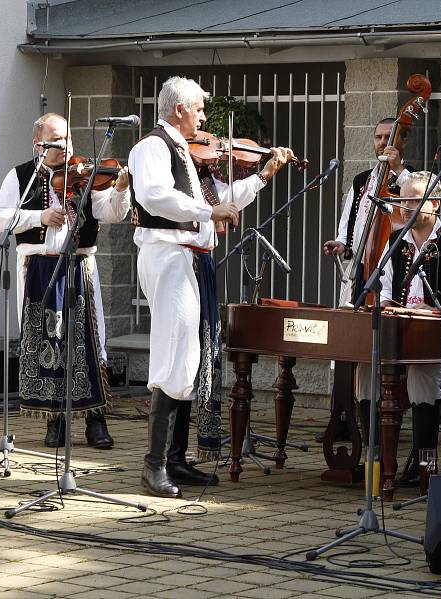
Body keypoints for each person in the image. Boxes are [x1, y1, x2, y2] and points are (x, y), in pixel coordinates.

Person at [129, 76, 292, 497]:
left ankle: (176, 459)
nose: (204, 118)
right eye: (199, 109)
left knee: (192, 354)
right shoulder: (152, 147)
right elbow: (152, 196)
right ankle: (153, 464)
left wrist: (264, 174)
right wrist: (209, 208)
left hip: (192, 258)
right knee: (174, 354)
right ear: (179, 109)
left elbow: (225, 199)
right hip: (168, 254)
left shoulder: (191, 156)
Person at [0, 112, 130, 449]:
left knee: (90, 342)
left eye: (68, 139)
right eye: (58, 140)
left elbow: (112, 212)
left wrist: (122, 190)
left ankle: (96, 421)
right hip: (37, 269)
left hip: (80, 266)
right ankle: (56, 423)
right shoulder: (21, 175)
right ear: (39, 144)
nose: (67, 147)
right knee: (47, 344)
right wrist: (38, 216)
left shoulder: (85, 176)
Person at [356, 171, 441, 485]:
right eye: (403, 199)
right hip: (401, 340)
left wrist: (439, 311)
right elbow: (384, 290)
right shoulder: (394, 244)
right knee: (364, 367)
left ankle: (424, 464)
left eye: (415, 199)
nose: (406, 206)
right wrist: (383, 305)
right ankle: (374, 459)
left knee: (421, 372)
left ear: (436, 204)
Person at [320, 118, 413, 445]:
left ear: (403, 141)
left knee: (383, 351)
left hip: (394, 272)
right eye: (378, 136)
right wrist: (341, 244)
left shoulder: (412, 180)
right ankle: (347, 420)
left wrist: (398, 170)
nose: (382, 142)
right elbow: (349, 224)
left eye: (389, 136)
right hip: (360, 270)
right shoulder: (361, 180)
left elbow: (415, 220)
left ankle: (385, 423)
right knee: (349, 347)